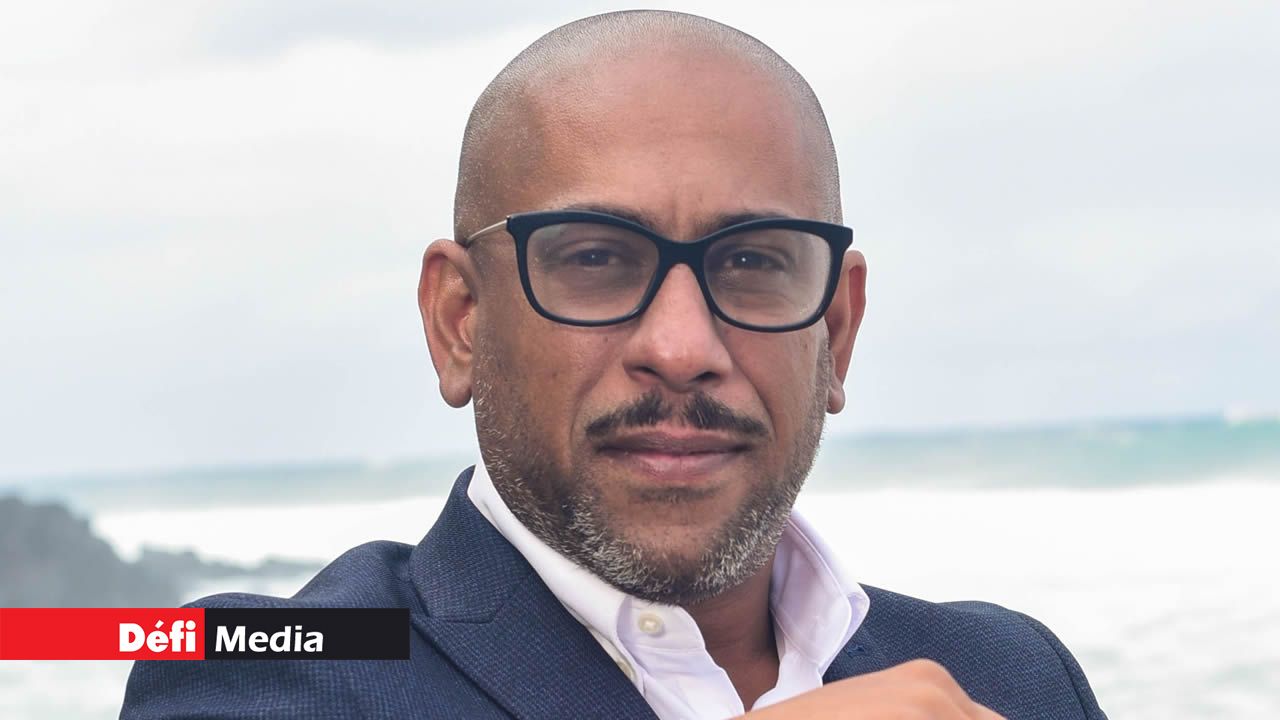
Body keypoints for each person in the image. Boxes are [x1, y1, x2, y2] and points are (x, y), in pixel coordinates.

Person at [121, 10, 1106, 720]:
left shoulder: (1008, 677)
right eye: (594, 259)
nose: (680, 348)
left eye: (753, 263)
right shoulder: (261, 675)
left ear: (836, 332)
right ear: (459, 322)